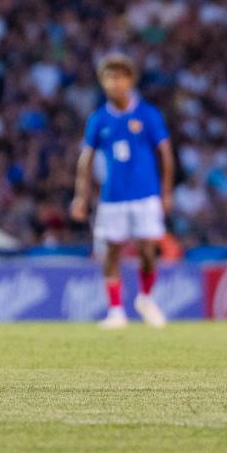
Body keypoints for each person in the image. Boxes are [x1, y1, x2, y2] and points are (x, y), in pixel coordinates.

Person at [70, 55, 174, 329]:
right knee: (111, 252)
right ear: (103, 83)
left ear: (130, 80)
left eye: (120, 77)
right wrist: (81, 196)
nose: (115, 83)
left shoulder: (148, 114)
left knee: (149, 249)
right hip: (112, 197)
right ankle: (116, 310)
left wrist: (166, 192)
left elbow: (165, 153)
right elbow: (86, 159)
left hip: (146, 194)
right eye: (109, 78)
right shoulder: (99, 119)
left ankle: (146, 298)